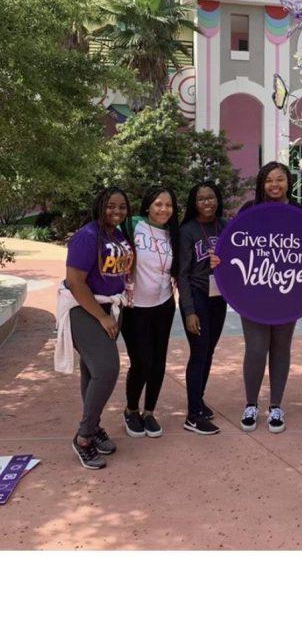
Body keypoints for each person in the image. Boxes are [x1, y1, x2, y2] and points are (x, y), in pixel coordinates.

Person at [63, 187, 134, 469]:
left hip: (110, 307)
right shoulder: (87, 236)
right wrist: (102, 317)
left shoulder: (118, 234)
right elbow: (76, 282)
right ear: (99, 206)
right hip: (85, 309)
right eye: (110, 206)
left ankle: (93, 429)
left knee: (92, 371)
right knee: (106, 369)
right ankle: (83, 437)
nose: (116, 211)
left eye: (122, 207)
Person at [233, 162, 302, 434]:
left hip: (288, 291)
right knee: (256, 349)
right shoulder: (249, 211)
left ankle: (276, 406)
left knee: (281, 348)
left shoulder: (299, 212)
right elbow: (235, 245)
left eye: (280, 180)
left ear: (288, 183)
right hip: (253, 291)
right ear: (261, 183)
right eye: (269, 180)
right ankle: (251, 404)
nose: (275, 185)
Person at [119, 185, 179, 439]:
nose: (163, 209)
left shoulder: (173, 233)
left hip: (164, 305)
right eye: (158, 204)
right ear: (147, 206)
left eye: (168, 205)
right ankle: (131, 409)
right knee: (141, 361)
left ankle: (149, 411)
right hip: (134, 307)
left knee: (158, 362)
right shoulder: (132, 225)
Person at [178, 182, 227, 435]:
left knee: (208, 351)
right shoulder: (187, 230)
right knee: (198, 352)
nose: (207, 203)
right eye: (201, 199)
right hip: (197, 296)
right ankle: (193, 415)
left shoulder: (225, 226)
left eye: (211, 198)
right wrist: (189, 311)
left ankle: (199, 400)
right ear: (194, 203)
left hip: (218, 298)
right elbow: (182, 274)